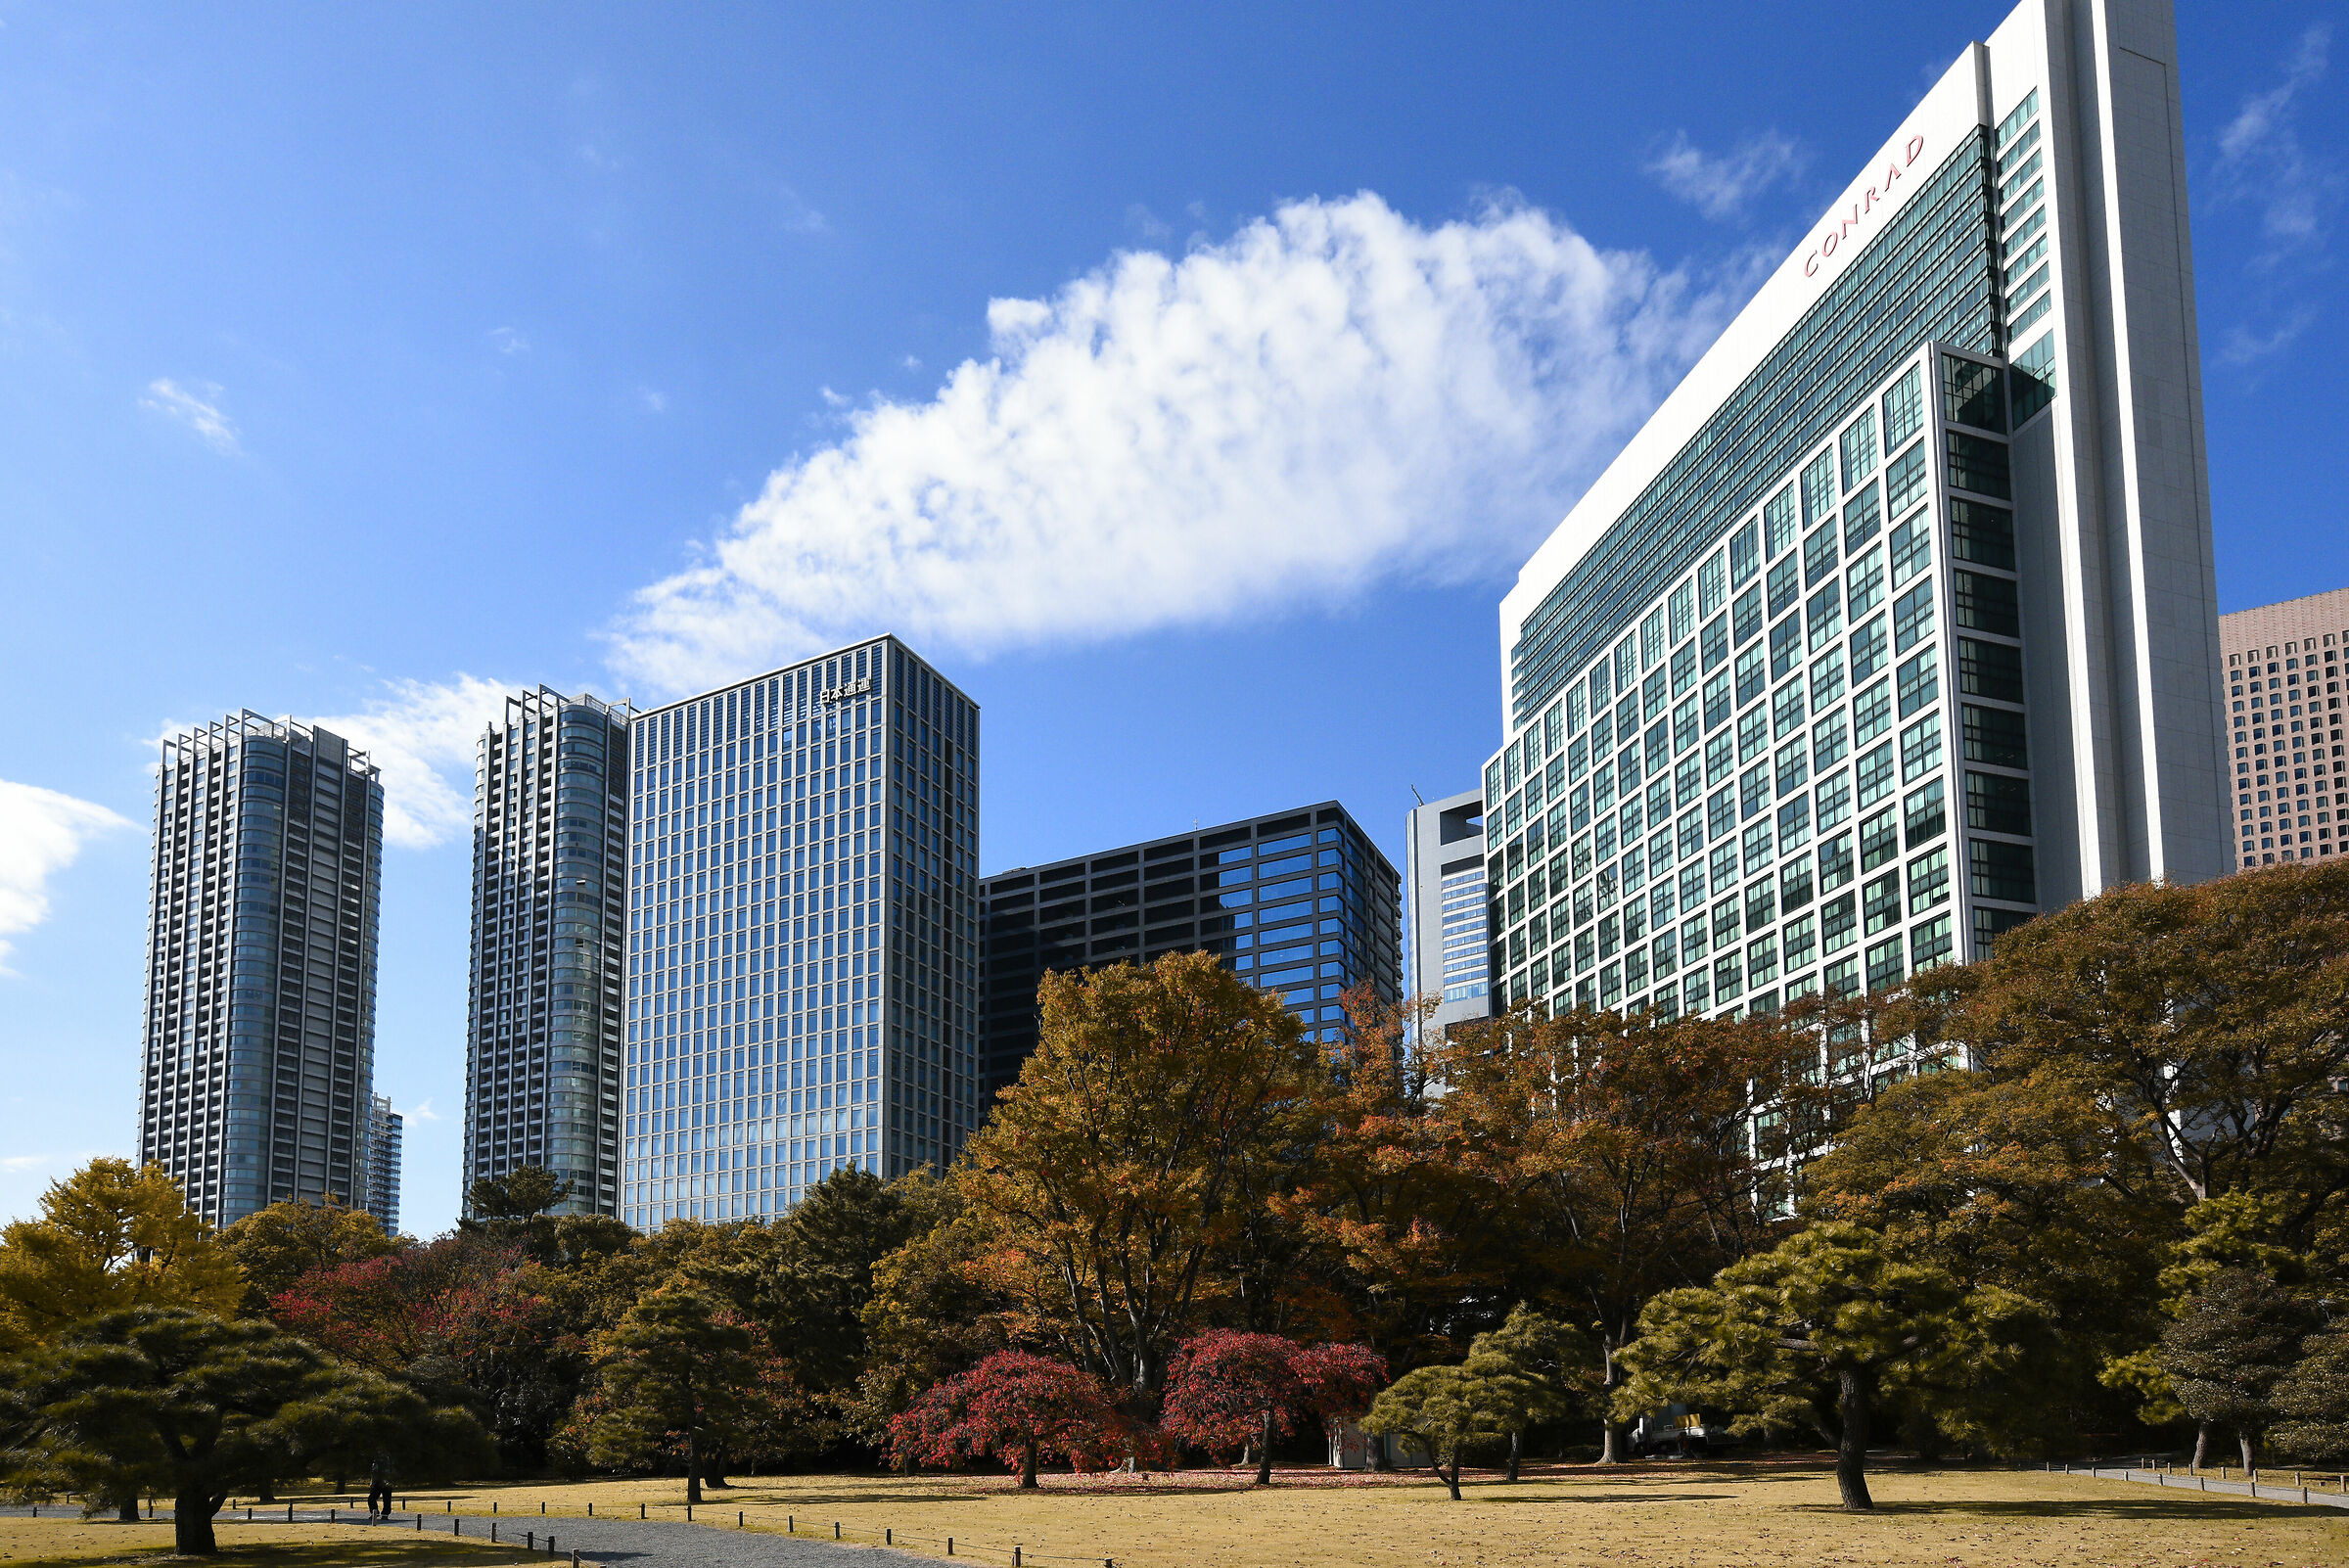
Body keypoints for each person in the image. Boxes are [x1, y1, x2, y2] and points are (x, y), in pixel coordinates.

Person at [366, 1452, 393, 1521]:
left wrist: (372, 1482)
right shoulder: (390, 1459)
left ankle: (376, 1513)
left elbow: (374, 1472)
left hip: (380, 1482)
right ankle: (384, 1514)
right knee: (386, 1499)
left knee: (372, 1498)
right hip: (386, 1481)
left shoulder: (378, 1460)